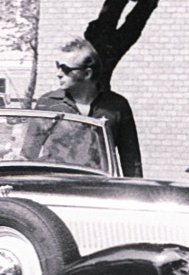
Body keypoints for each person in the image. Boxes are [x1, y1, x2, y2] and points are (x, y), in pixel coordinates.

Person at [34, 36, 142, 176]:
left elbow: (131, 161)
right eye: (58, 66)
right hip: (55, 187)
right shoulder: (47, 103)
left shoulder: (117, 105)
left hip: (97, 188)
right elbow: (28, 153)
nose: (58, 74)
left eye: (65, 69)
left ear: (87, 73)